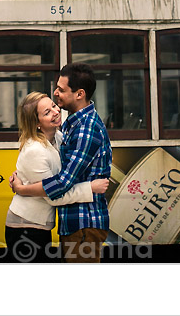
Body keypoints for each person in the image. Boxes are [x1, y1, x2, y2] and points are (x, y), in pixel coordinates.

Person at [10, 63, 112, 263]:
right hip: (75, 222)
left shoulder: (84, 129)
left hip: (83, 222)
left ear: (79, 94)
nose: (56, 94)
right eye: (47, 111)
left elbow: (62, 183)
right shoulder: (70, 126)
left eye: (61, 90)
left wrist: (23, 188)